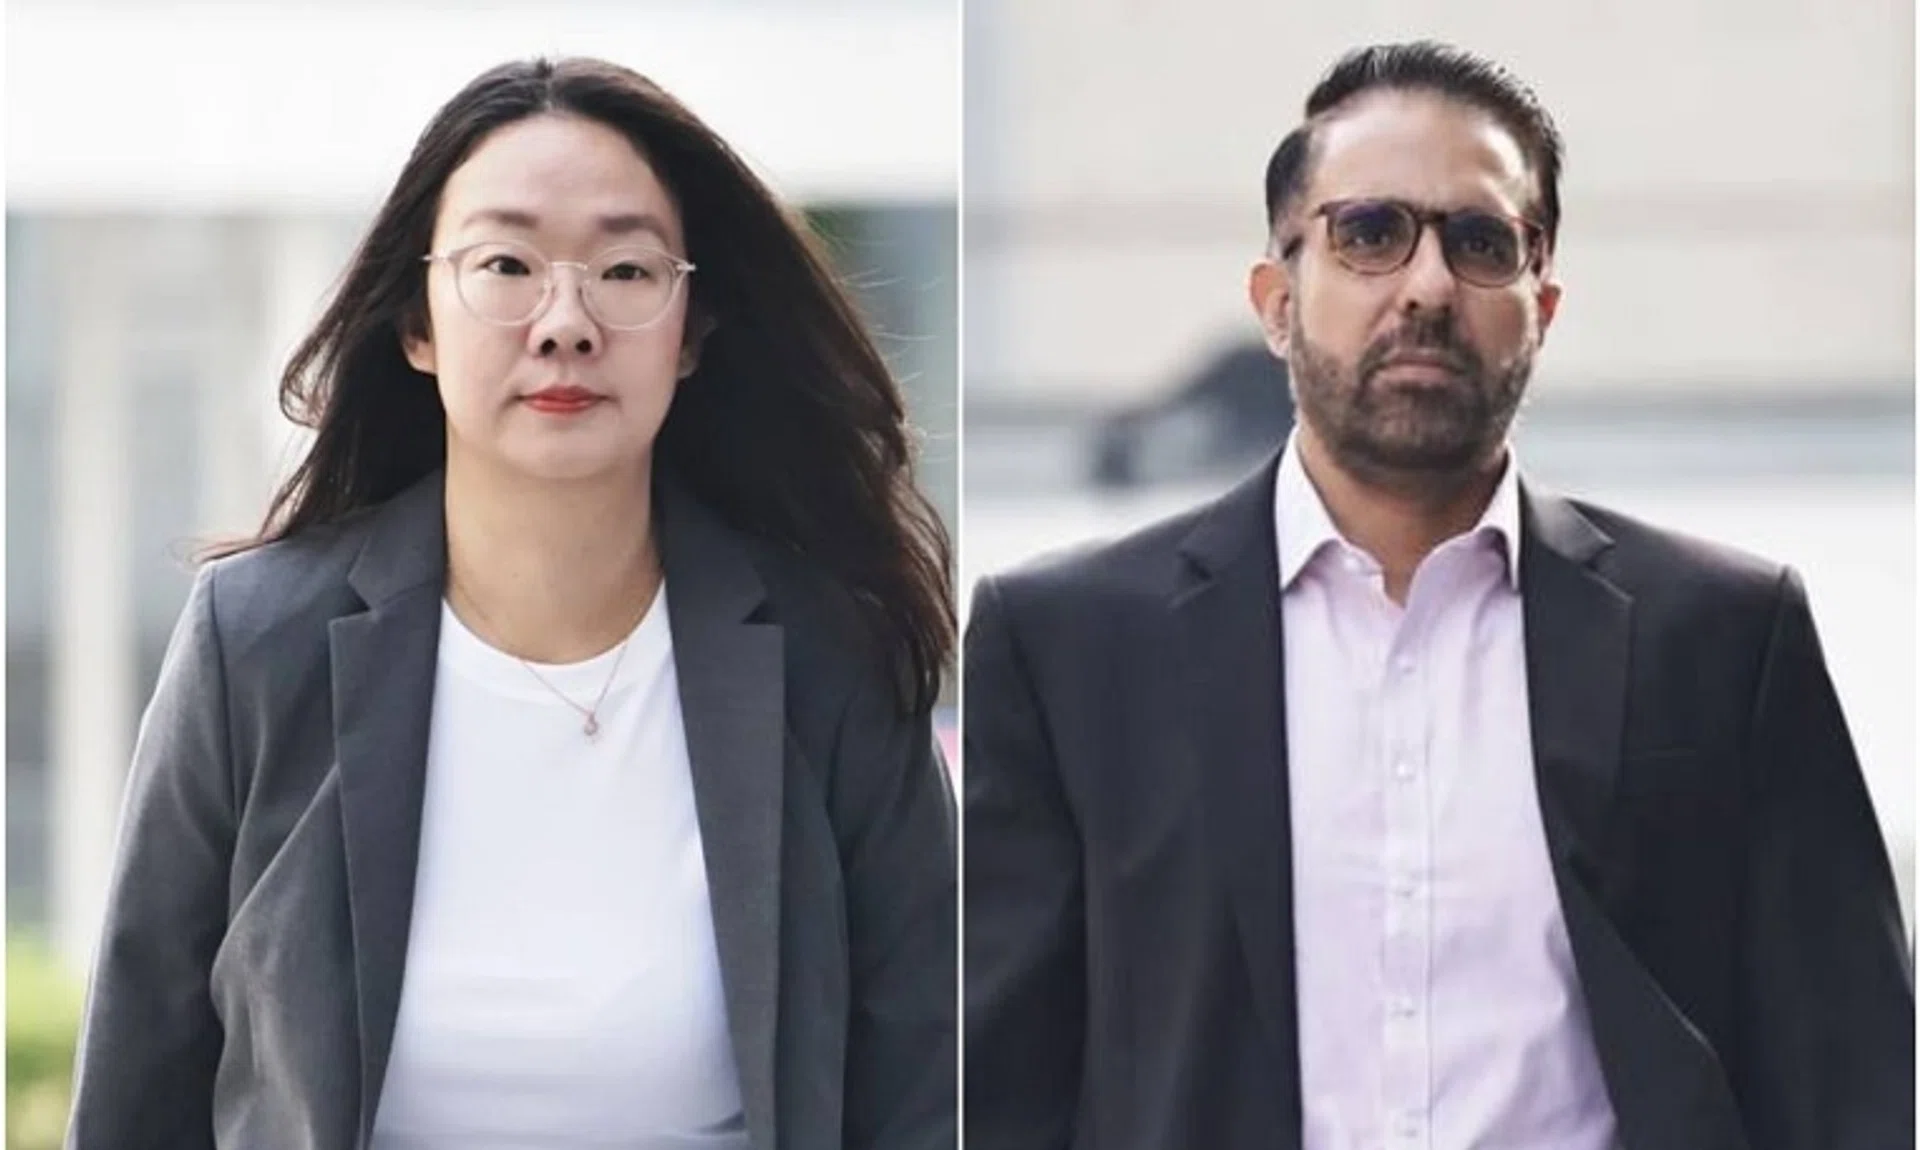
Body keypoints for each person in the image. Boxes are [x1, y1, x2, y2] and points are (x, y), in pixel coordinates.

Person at [964, 40, 1911, 1150]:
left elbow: (1852, 1086)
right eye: (1369, 233)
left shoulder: (1722, 639)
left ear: (1542, 306)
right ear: (1276, 301)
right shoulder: (1068, 648)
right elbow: (999, 1090)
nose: (1426, 286)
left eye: (1480, 243)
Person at [68, 56, 956, 1150]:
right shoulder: (255, 643)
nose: (565, 321)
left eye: (625, 270)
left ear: (692, 331)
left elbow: (927, 1092)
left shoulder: (830, 653)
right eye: (505, 264)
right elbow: (136, 1093)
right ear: (418, 323)